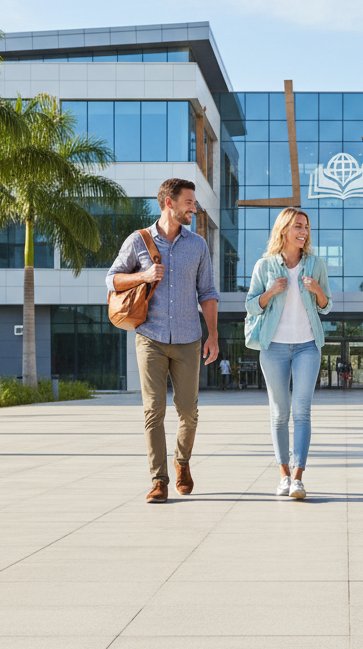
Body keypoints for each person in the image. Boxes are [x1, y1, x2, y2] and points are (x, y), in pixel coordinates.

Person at [107, 178, 220, 504]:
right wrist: (143, 275)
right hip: (150, 338)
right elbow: (111, 279)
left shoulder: (198, 245)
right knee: (153, 410)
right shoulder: (138, 241)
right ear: (169, 203)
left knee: (188, 412)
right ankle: (159, 480)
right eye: (189, 202)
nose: (194, 208)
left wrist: (213, 335)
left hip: (188, 339)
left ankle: (182, 461)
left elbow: (207, 292)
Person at [245, 207, 332, 500]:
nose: (303, 232)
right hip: (274, 347)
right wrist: (270, 292)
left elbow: (326, 306)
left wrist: (317, 290)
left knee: (302, 412)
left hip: (308, 345)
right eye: (298, 226)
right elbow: (251, 305)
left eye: (306, 227)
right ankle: (283, 475)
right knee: (280, 413)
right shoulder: (265, 266)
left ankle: (298, 478)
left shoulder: (316, 264)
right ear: (283, 230)